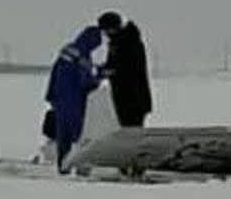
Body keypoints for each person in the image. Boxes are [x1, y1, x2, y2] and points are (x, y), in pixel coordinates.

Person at [44, 26, 103, 172]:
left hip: (59, 99)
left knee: (62, 134)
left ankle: (63, 165)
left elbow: (54, 73)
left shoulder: (67, 51)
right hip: (75, 100)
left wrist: (50, 95)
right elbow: (85, 82)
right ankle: (82, 166)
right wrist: (98, 79)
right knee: (80, 135)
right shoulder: (83, 56)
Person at [98, 11, 153, 127]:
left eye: (106, 30)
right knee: (128, 128)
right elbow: (113, 65)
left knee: (132, 131)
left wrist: (111, 72)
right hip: (124, 96)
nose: (105, 34)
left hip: (133, 98)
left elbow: (129, 69)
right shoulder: (118, 42)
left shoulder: (129, 43)